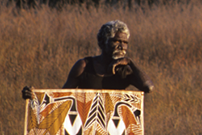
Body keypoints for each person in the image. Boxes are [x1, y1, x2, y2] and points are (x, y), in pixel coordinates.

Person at [23, 20, 153, 99]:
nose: (121, 46)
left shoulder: (126, 71)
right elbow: (62, 98)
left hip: (114, 132)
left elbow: (148, 87)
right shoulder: (84, 66)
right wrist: (35, 97)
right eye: (116, 41)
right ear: (102, 42)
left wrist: (130, 62)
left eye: (125, 43)